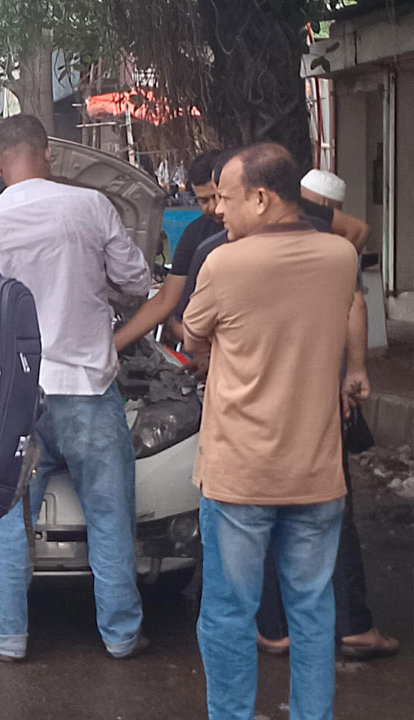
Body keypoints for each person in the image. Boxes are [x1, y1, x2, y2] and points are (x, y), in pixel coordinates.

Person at [0, 113, 150, 663]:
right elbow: (138, 281)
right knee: (111, 515)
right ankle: (121, 635)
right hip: (88, 387)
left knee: (6, 517)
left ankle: (6, 637)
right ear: (48, 155)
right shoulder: (90, 206)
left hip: (16, 397)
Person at [183, 143, 357, 720]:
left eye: (226, 199)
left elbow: (194, 337)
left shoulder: (224, 264)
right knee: (312, 611)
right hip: (316, 473)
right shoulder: (340, 257)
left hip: (240, 476)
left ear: (261, 198)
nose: (218, 211)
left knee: (229, 613)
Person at [254, 170, 399, 662]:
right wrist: (354, 370)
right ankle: (352, 624)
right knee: (332, 508)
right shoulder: (334, 250)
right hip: (322, 396)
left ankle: (276, 628)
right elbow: (355, 301)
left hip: (264, 405)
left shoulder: (234, 248)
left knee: (263, 509)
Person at [113, 150, 224, 350]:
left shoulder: (263, 235)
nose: (214, 208)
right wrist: (113, 346)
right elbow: (166, 299)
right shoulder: (195, 235)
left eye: (219, 197)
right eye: (203, 201)